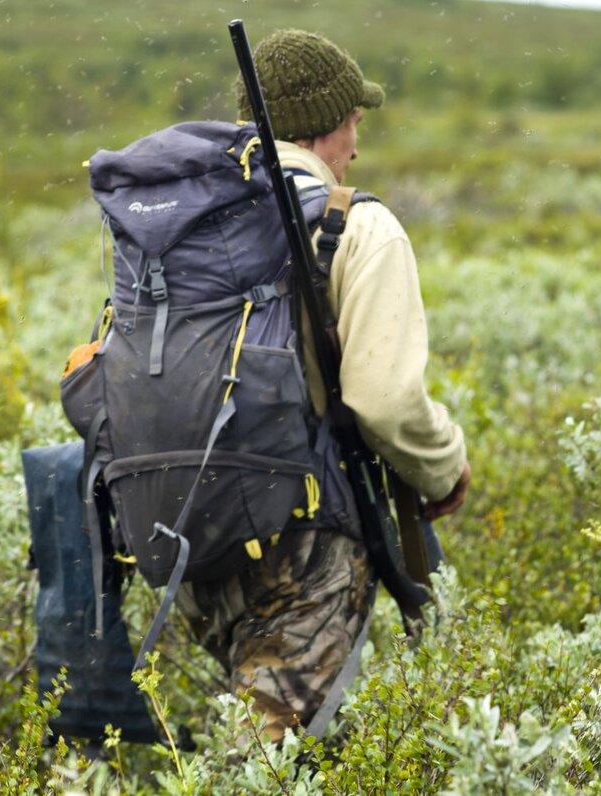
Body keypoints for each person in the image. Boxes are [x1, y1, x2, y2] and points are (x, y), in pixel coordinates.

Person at [172, 28, 471, 742]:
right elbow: (387, 401)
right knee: (266, 759)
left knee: (292, 743)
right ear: (331, 123)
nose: (358, 145)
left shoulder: (182, 226)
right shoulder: (357, 226)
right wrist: (444, 466)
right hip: (304, 546)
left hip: (188, 535)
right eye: (356, 121)